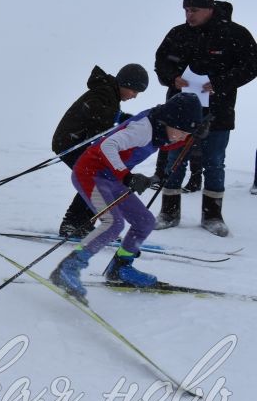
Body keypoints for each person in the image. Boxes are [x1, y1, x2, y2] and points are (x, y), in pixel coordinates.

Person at [48, 93, 203, 305]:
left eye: (187, 133)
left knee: (144, 221)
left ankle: (120, 268)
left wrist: (193, 135)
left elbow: (165, 143)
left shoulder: (160, 127)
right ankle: (68, 269)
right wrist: (127, 176)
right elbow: (107, 146)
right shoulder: (143, 129)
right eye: (183, 131)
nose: (183, 137)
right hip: (90, 174)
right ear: (171, 121)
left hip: (111, 178)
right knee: (114, 223)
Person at [153, 0, 257, 237]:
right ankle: (169, 212)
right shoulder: (178, 34)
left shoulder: (235, 34)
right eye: (187, 10)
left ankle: (212, 216)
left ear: (210, 9)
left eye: (194, 10)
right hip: (179, 112)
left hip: (219, 110)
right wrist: (172, 78)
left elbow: (252, 65)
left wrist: (221, 82)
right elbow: (160, 61)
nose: (189, 15)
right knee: (174, 161)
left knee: (214, 162)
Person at [51, 64, 148, 238]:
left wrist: (122, 119)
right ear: (125, 84)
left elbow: (104, 115)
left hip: (76, 142)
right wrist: (118, 120)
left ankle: (84, 223)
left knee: (100, 178)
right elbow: (95, 113)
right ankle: (72, 223)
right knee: (93, 178)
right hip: (70, 142)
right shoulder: (103, 92)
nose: (134, 96)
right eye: (134, 91)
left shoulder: (109, 94)